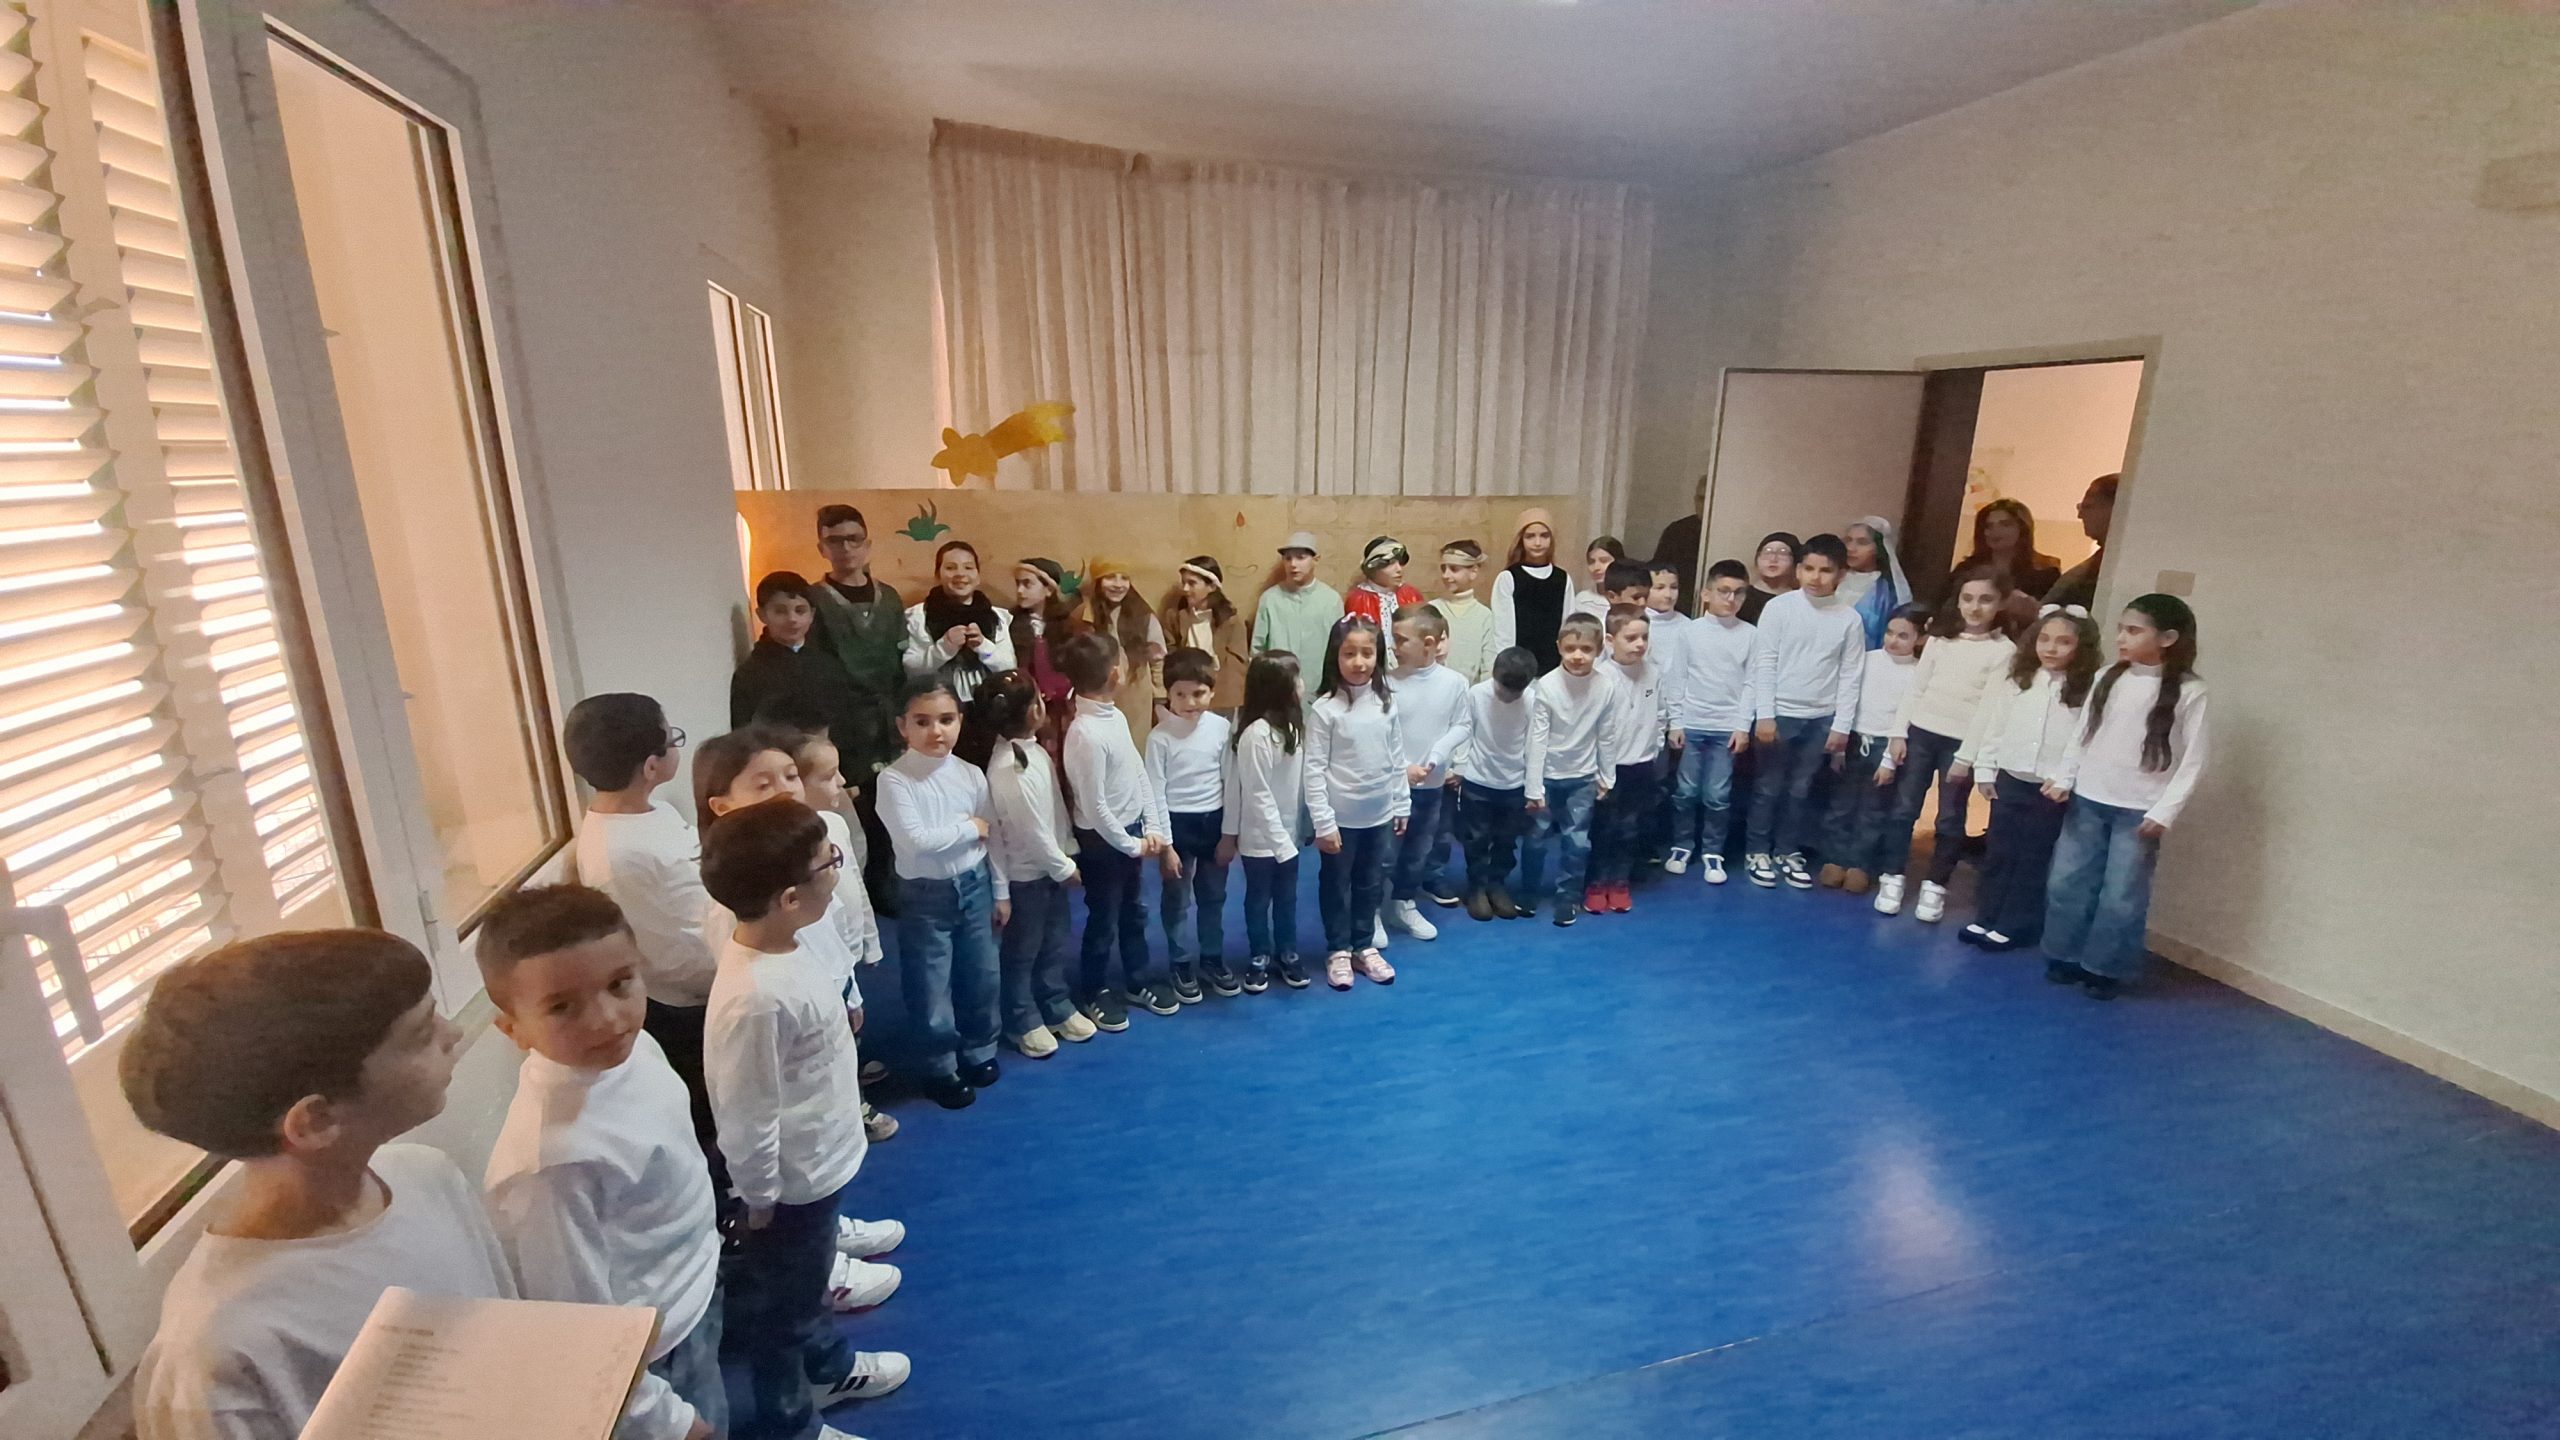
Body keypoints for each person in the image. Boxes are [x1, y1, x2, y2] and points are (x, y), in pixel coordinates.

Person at [124, 931, 510, 1440]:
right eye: (420, 1034)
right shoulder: (217, 1354)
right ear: (315, 1121)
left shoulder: (426, 1176)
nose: (453, 1032)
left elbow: (513, 1345)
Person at [477, 885, 729, 1440]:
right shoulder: (550, 1165)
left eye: (620, 984)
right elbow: (576, 1324)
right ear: (512, 1029)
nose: (607, 1019)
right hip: (654, 1359)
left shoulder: (632, 1049)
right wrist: (664, 1418)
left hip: (691, 1294)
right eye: (561, 1006)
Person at [700, 799, 909, 1437]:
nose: (838, 870)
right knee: (783, 1311)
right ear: (790, 898)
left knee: (806, 1282)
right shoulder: (754, 999)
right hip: (791, 1186)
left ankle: (827, 1364)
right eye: (830, 863)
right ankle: (793, 1421)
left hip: (820, 1163)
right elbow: (745, 1113)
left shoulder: (793, 943)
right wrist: (760, 1195)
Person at [693, 728, 897, 1147]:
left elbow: (838, 916)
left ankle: (850, 1105)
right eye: (763, 784)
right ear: (722, 806)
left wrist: (850, 987)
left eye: (790, 776)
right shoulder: (733, 899)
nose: (786, 790)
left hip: (832, 988)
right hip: (793, 1015)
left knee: (841, 1058)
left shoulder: (818, 841)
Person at [563, 694, 720, 1165]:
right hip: (686, 1004)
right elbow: (666, 953)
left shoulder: (654, 813)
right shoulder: (619, 854)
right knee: (710, 1118)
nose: (677, 745)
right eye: (673, 738)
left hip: (709, 977)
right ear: (651, 766)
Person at [2041, 595, 2208, 999]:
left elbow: (2195, 759)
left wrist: (2165, 811)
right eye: (2121, 629)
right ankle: (2063, 954)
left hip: (2138, 811)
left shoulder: (2191, 692)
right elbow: (2083, 734)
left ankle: (2103, 968)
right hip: (2088, 800)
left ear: (2167, 638)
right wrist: (2065, 778)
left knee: (2121, 895)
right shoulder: (2108, 677)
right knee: (2067, 883)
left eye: (2133, 631)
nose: (2121, 638)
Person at [880, 672, 1010, 1108]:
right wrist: (969, 828)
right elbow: (916, 841)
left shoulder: (971, 774)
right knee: (930, 985)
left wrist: (1001, 890)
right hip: (924, 896)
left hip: (975, 886)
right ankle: (940, 1065)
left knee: (982, 975)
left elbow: (992, 836)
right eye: (922, 721)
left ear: (960, 721)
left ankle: (979, 1048)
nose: (936, 731)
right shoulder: (895, 780)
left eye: (946, 720)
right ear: (903, 726)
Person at [963, 671, 1093, 1059]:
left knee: (1054, 941)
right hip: (1026, 876)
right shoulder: (1007, 768)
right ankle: (1021, 1018)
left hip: (1048, 870)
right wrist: (1063, 866)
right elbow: (1030, 830)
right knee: (1023, 951)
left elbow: (1053, 812)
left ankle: (1055, 1003)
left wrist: (1067, 848)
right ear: (1034, 710)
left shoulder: (1034, 753)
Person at [1874, 568, 2016, 921]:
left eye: (1985, 600)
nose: (1975, 607)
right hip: (1921, 733)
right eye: (1968, 598)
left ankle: (1935, 885)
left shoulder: (2004, 651)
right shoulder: (1940, 640)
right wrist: (1898, 733)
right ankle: (1892, 876)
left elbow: (1989, 708)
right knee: (1904, 808)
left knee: (1950, 818)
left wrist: (1967, 757)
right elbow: (1916, 688)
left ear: (2001, 603)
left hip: (1960, 743)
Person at [1958, 604, 2100, 951]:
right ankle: (1987, 915)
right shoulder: (2020, 679)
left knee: (2032, 857)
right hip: (2011, 777)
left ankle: (2016, 922)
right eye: (2045, 639)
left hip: (2049, 789)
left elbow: (2084, 739)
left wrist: (2065, 778)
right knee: (1999, 851)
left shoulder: (2085, 689)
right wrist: (1985, 768)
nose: (2051, 648)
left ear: (2081, 647)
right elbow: (1997, 725)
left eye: (2064, 642)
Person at [1061, 630, 1172, 1025]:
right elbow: (1093, 807)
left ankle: (1136, 980)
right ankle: (1094, 989)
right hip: (1103, 843)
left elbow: (1137, 771)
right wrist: (1130, 845)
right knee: (1103, 918)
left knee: (1133, 912)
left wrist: (1151, 823)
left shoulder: (1116, 716)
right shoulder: (1085, 734)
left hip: (1129, 834)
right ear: (1115, 673)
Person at [1744, 534, 1863, 890]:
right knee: (1768, 787)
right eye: (1809, 568)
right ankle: (1757, 851)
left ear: (1841, 574)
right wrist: (1765, 714)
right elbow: (1764, 662)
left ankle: (1786, 850)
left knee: (1800, 789)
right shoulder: (1779, 608)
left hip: (1821, 718)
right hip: (1780, 714)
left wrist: (1842, 725)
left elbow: (1851, 674)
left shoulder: (1849, 619)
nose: (1816, 577)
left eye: (1825, 570)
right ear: (1798, 570)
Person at [807, 505, 908, 905]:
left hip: (891, 722)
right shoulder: (814, 602)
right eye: (835, 541)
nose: (846, 548)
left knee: (895, 810)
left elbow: (902, 663)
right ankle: (863, 899)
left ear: (867, 544)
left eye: (853, 539)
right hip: (846, 728)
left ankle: (895, 887)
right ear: (822, 547)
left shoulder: (890, 599)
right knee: (856, 816)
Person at [1305, 614, 1408, 989]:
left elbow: (1396, 756)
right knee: (1336, 884)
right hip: (1341, 819)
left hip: (1378, 815)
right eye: (1349, 653)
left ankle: (1363, 945)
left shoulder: (1386, 703)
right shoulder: (1325, 710)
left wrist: (1401, 802)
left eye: (1367, 653)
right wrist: (1323, 822)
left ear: (1379, 655)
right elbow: (1313, 769)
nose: (1359, 662)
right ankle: (1338, 949)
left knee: (1370, 882)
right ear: (1335, 656)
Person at [1148, 647, 1236, 1000]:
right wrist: (1166, 847)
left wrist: (1229, 834)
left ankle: (1212, 957)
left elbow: (1231, 783)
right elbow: (1155, 792)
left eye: (1198, 693)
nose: (1189, 702)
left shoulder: (1222, 729)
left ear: (1212, 691)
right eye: (1180, 694)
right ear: (1168, 693)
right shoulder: (1160, 737)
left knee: (1214, 896)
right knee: (1177, 899)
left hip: (1213, 822)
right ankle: (1180, 960)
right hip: (1176, 826)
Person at [1821, 605, 1927, 896]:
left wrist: (1889, 761)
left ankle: (1860, 864)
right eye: (1890, 633)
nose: (1893, 640)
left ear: (1919, 638)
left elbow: (1905, 720)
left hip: (1885, 745)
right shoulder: (1867, 660)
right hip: (1854, 739)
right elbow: (1849, 699)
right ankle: (1834, 858)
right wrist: (1840, 747)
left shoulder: (1918, 672)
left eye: (1903, 636)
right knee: (1841, 804)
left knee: (1873, 809)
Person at [1219, 652, 1309, 991]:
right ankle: (1259, 955)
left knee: (1287, 898)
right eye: (1296, 679)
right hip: (1260, 839)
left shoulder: (1293, 727)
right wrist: (1280, 844)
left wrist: (1301, 829)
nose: (1302, 685)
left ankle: (1287, 952)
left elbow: (1298, 784)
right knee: (1258, 899)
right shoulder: (1256, 735)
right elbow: (1257, 794)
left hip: (1289, 835)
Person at [1527, 613, 1622, 927]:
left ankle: (1568, 898)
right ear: (1559, 647)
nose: (1578, 656)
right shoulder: (1547, 685)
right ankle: (1528, 892)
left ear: (1599, 650)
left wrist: (1607, 775)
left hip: (1582, 777)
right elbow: (1537, 737)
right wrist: (1533, 785)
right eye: (1570, 649)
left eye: (1586, 649)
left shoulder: (1605, 686)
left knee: (1577, 841)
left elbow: (1606, 734)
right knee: (1536, 837)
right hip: (1546, 776)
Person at [1664, 560, 1754, 884]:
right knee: (1685, 791)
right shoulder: (1688, 632)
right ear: (1706, 594)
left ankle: (1713, 851)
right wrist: (1676, 722)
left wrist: (1742, 726)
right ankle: (1681, 845)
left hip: (1726, 728)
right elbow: (1677, 678)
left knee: (1718, 795)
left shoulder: (1751, 635)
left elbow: (1752, 684)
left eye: (1738, 593)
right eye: (1723, 591)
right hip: (1691, 723)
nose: (1730, 599)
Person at [1384, 605, 1471, 940]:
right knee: (1384, 852)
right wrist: (1401, 768)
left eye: (1401, 639)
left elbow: (1462, 725)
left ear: (1429, 643)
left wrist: (1436, 756)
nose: (1394, 646)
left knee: (1418, 849)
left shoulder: (1454, 683)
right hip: (1392, 786)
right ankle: (1374, 908)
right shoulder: (1386, 683)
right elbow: (1380, 733)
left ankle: (1403, 902)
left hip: (1430, 785)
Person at [1589, 606, 1674, 914]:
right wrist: (1597, 767)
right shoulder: (1601, 677)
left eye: (1644, 637)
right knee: (1604, 828)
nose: (1640, 644)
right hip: (1608, 768)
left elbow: (1661, 714)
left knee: (1630, 828)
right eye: (1631, 638)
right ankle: (1596, 882)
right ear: (1610, 640)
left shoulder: (1653, 673)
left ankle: (1620, 882)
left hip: (1641, 765)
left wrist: (1656, 745)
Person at [732, 570, 866, 747]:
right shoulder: (750, 673)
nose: (792, 619)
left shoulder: (829, 665)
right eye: (780, 611)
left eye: (800, 611)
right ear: (762, 615)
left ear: (812, 615)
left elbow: (847, 722)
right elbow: (742, 735)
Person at [1456, 646, 1540, 920]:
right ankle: (1477, 887)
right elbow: (1465, 731)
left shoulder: (1532, 700)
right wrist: (1460, 768)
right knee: (1476, 839)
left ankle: (1497, 884)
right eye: (1503, 689)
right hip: (1478, 781)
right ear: (1494, 675)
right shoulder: (1476, 694)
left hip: (1513, 784)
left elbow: (1534, 744)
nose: (1508, 696)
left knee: (1506, 840)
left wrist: (1533, 786)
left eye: (1515, 693)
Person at [900, 539, 1015, 706]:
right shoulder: (918, 617)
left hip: (989, 706)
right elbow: (911, 668)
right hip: (938, 705)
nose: (960, 574)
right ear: (938, 575)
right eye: (950, 568)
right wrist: (944, 648)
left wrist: (983, 646)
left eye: (968, 567)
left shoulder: (997, 617)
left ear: (978, 576)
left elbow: (1009, 667)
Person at [1077, 556, 1166, 747]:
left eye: (1124, 578)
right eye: (1110, 577)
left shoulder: (1143, 615)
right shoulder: (1086, 615)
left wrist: (1159, 697)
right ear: (1098, 582)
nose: (1118, 585)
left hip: (1136, 692)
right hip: (1099, 694)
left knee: (1135, 746)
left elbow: (1157, 659)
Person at [1161, 557, 1251, 712]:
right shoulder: (1175, 617)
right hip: (1186, 694)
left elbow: (1238, 663)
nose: (1185, 589)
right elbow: (1170, 652)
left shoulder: (1230, 620)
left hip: (1222, 697)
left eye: (1192, 583)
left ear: (1211, 586)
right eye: (1183, 582)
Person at [1960, 498, 2063, 627]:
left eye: (2005, 524)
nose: (1995, 531)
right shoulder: (1967, 569)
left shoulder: (2045, 573)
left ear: (2022, 529)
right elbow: (1947, 609)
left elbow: (2054, 619)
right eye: (1988, 526)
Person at [1490, 508, 1570, 673]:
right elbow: (1503, 631)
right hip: (1518, 670)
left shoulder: (1563, 579)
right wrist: (1508, 667)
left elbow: (1567, 625)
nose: (1538, 542)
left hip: (1554, 669)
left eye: (1544, 536)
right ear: (1521, 540)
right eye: (1530, 536)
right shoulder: (1508, 578)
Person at [1008, 557, 1079, 739]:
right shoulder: (1010, 623)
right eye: (1018, 584)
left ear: (1048, 589)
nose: (1020, 591)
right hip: (1025, 706)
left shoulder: (1067, 626)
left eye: (1027, 584)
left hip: (1061, 707)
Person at [1251, 531, 1344, 664]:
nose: (1293, 564)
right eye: (1288, 558)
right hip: (1278, 675)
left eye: (1300, 557)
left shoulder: (1331, 601)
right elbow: (1257, 649)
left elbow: (1340, 646)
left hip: (1318, 675)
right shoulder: (1270, 599)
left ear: (1316, 560)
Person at [2042, 473, 2119, 612]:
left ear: (2115, 508)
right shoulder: (2097, 562)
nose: (2080, 515)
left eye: (2087, 506)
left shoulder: (2118, 564)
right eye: (2080, 507)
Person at [1427, 539, 1497, 684]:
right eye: (1443, 569)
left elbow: (1489, 667)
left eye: (1454, 569)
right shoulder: (1432, 610)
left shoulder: (1484, 616)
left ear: (1473, 572)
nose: (1446, 575)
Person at [1842, 515, 1914, 650]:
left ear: (1879, 548)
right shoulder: (1833, 578)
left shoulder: (1888, 592)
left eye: (1862, 542)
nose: (1851, 548)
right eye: (1848, 540)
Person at [1649, 473, 1711, 611]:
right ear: (1695, 500)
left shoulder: (1727, 533)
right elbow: (1658, 569)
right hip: (1676, 604)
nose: (1705, 504)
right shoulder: (1677, 531)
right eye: (1701, 498)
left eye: (1709, 499)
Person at [1342, 535, 1424, 626]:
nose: (1399, 569)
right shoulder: (1359, 599)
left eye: (1400, 562)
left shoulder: (1411, 594)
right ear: (1375, 567)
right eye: (1391, 563)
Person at [1737, 531, 1801, 626]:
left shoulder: (1800, 600)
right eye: (1767, 552)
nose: (1773, 559)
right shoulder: (1739, 595)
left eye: (1782, 553)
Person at [1573, 537, 1627, 618]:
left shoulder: (1631, 598)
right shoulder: (1582, 600)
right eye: (1591, 562)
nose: (1596, 567)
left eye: (1604, 561)